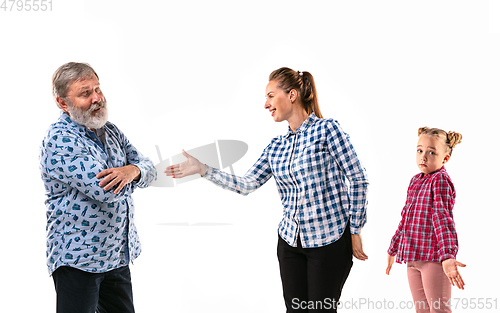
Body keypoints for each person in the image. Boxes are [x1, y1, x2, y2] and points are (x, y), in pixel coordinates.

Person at [165, 67, 369, 312]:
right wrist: (204, 169)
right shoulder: (276, 147)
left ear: (292, 95)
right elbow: (247, 183)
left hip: (328, 243)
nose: (266, 104)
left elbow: (358, 178)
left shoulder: (327, 130)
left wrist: (355, 229)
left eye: (271, 96)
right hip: (290, 243)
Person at [39, 62, 157, 313]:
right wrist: (136, 174)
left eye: (97, 89)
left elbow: (150, 168)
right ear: (63, 103)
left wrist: (132, 171)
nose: (97, 98)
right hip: (78, 260)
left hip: (116, 255)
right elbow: (105, 190)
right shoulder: (60, 139)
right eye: (85, 93)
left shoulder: (111, 131)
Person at [386, 127, 466, 313]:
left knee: (439, 310)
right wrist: (393, 248)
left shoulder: (440, 181)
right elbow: (406, 219)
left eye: (431, 152)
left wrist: (447, 256)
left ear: (445, 158)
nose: (423, 157)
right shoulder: (415, 181)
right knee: (422, 310)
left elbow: (443, 219)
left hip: (433, 259)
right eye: (420, 150)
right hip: (413, 259)